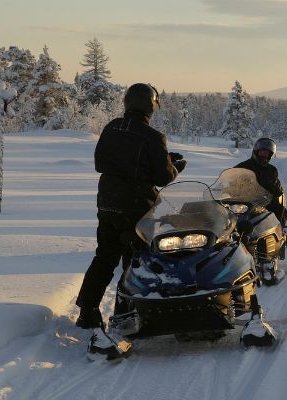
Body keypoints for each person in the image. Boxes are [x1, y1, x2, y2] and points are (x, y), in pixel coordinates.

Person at [75, 83, 186, 359]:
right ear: (150, 105)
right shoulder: (153, 136)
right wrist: (175, 167)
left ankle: (88, 312)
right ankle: (126, 314)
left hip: (107, 202)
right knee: (135, 259)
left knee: (104, 256)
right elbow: (162, 177)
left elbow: (101, 161)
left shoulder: (112, 127)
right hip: (135, 206)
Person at [235, 138, 287, 225]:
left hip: (265, 203)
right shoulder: (242, 167)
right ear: (256, 151)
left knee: (280, 210)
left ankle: (280, 233)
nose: (264, 155)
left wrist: (273, 185)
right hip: (244, 202)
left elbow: (277, 191)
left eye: (267, 153)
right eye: (262, 152)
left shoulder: (272, 170)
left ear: (270, 155)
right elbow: (231, 180)